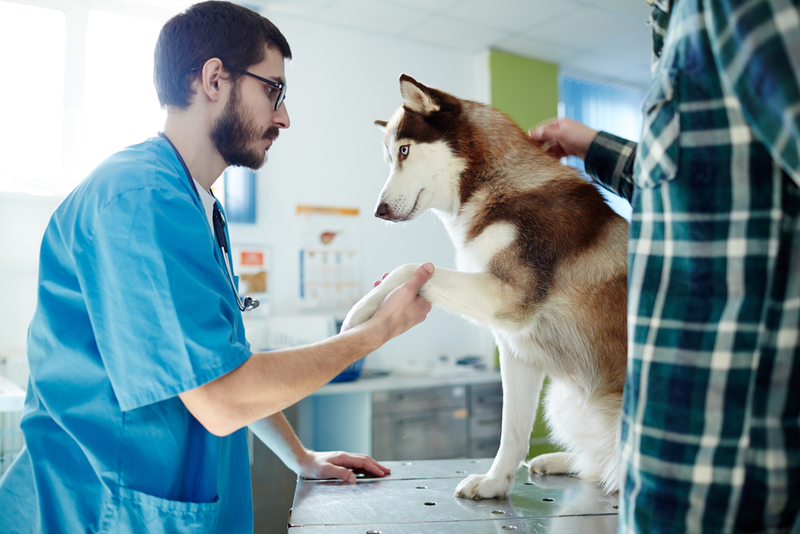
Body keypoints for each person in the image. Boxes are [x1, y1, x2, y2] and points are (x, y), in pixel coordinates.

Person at [0, 2, 434, 532]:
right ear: (213, 79)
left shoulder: (191, 204)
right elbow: (222, 397)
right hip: (103, 509)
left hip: (161, 504)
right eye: (273, 90)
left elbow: (223, 363)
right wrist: (378, 331)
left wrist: (303, 457)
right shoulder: (138, 200)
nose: (284, 117)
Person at [530, 0, 800, 532]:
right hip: (671, 452)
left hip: (732, 459)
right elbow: (697, 183)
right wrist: (589, 146)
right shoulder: (682, 26)